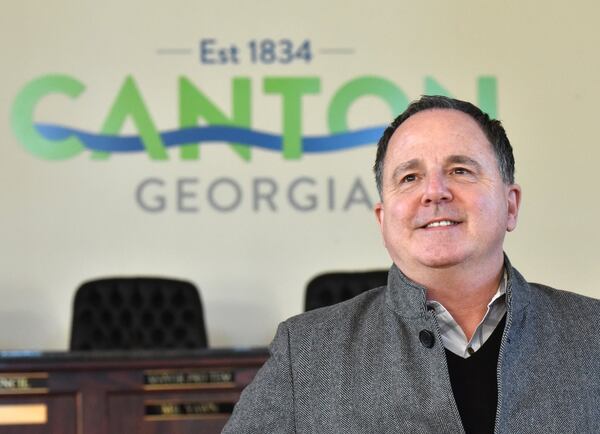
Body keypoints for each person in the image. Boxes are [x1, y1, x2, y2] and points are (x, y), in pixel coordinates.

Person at [222, 96, 600, 433]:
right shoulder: (304, 355)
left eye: (460, 170)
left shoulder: (592, 336)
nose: (435, 191)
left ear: (511, 205)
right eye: (410, 177)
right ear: (382, 219)